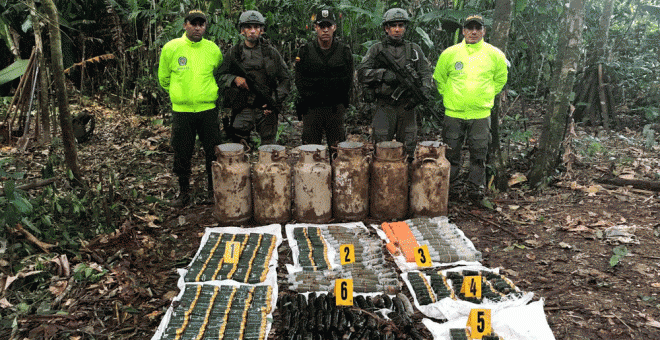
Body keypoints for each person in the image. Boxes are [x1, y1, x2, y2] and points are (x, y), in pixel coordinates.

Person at [433, 15, 508, 202]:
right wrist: (449, 96)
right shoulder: (450, 53)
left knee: (478, 155)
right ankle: (452, 189)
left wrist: (487, 95)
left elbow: (500, 79)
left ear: (483, 31)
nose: (473, 32)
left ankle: (476, 190)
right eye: (469, 28)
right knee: (451, 154)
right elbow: (439, 78)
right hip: (453, 113)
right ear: (463, 31)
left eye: (477, 28)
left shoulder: (495, 54)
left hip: (480, 114)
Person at [158, 10, 223, 207]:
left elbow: (219, 74)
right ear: (185, 25)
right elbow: (163, 78)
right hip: (182, 111)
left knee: (213, 153)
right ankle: (184, 193)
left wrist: (206, 94)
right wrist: (180, 95)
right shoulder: (171, 48)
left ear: (205, 26)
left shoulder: (213, 49)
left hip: (208, 110)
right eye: (193, 23)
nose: (197, 27)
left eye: (201, 24)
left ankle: (213, 192)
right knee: (182, 152)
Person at [357, 7, 434, 157]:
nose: (397, 29)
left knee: (408, 148)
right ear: (386, 28)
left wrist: (425, 88)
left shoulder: (414, 50)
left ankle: (405, 177)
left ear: (405, 28)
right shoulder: (376, 49)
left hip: (407, 106)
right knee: (381, 148)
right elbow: (361, 73)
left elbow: (425, 72)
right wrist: (382, 74)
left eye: (401, 25)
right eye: (393, 26)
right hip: (384, 106)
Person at [217, 10, 290, 146]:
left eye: (256, 27)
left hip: (266, 107)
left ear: (261, 30)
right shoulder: (234, 53)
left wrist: (273, 101)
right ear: (242, 31)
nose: (252, 31)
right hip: (243, 106)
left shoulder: (271, 53)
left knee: (269, 146)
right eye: (248, 27)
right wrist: (234, 79)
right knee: (237, 144)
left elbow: (285, 79)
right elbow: (220, 76)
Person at [295, 8, 354, 148]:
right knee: (310, 151)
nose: (325, 30)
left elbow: (348, 80)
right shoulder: (305, 51)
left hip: (335, 108)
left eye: (329, 26)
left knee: (337, 150)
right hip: (312, 108)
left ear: (334, 27)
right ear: (316, 28)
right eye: (322, 26)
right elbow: (299, 80)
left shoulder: (344, 51)